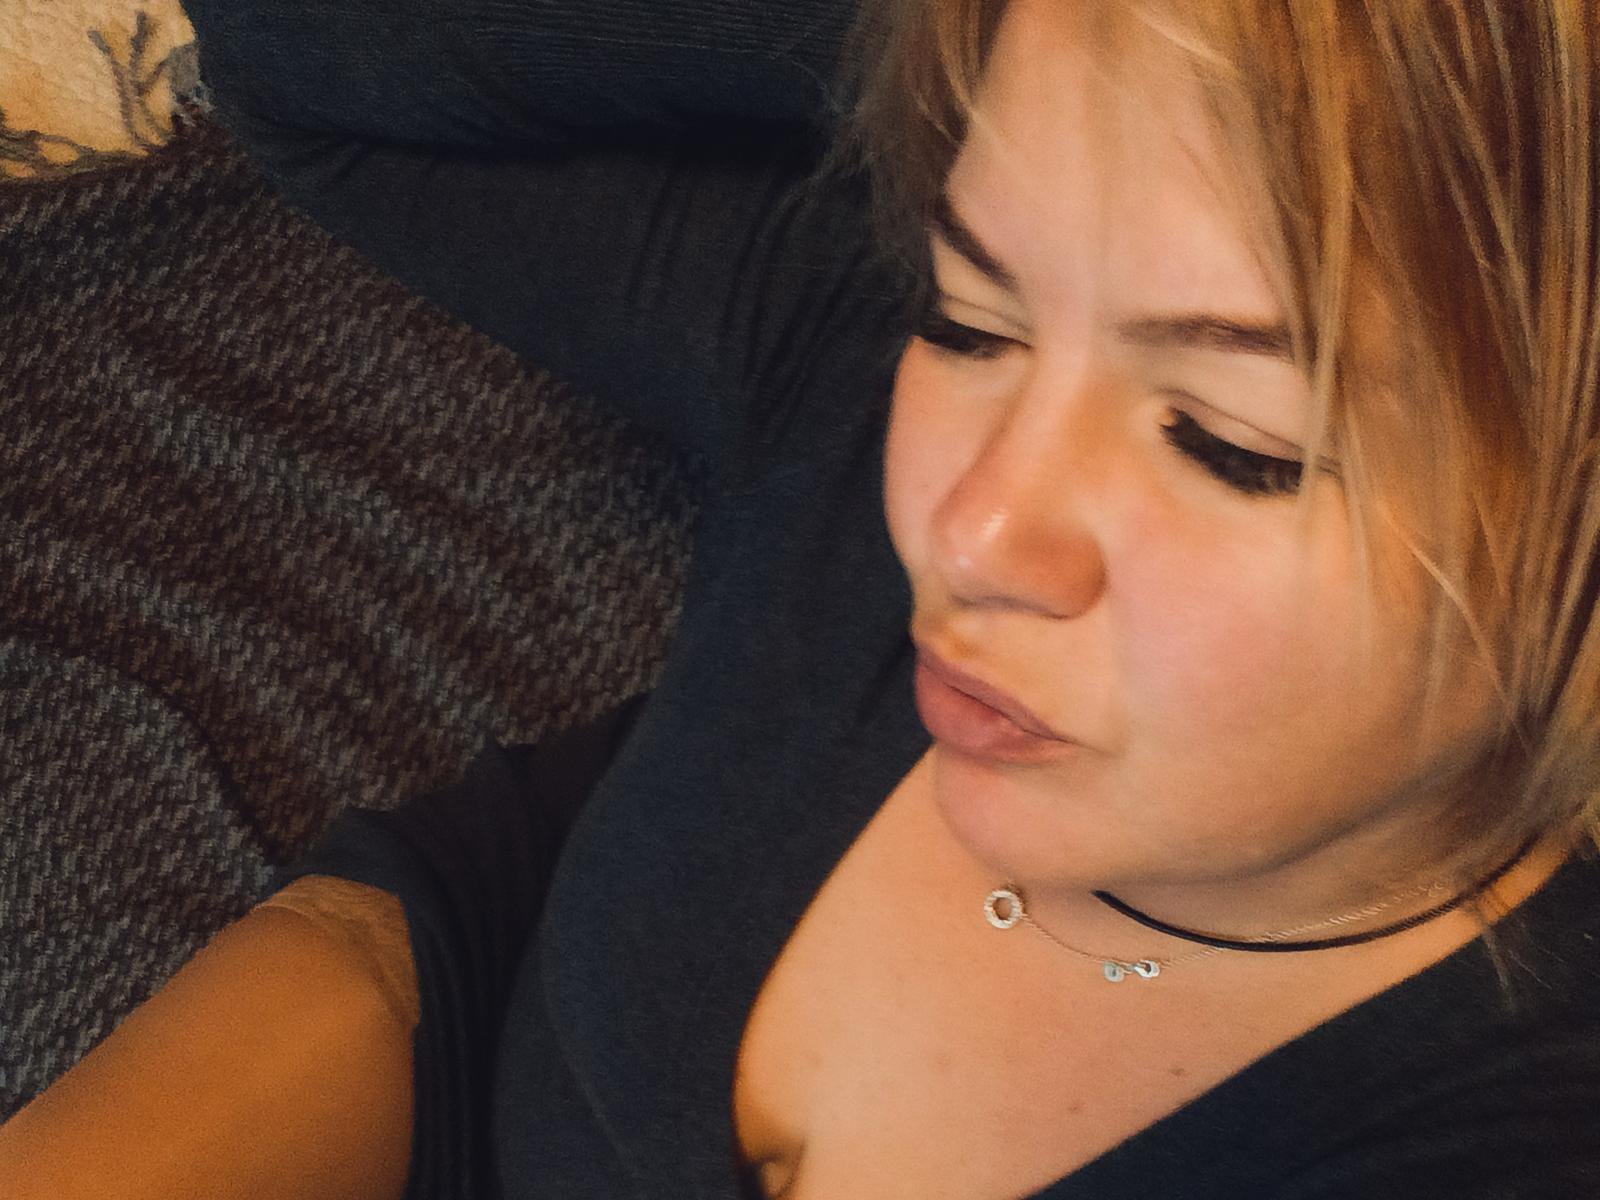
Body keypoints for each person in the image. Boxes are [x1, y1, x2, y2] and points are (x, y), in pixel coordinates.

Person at [3, 0, 1598, 1196]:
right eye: (971, 317)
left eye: (1231, 445)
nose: (967, 532)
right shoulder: (843, 366)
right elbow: (304, 57)